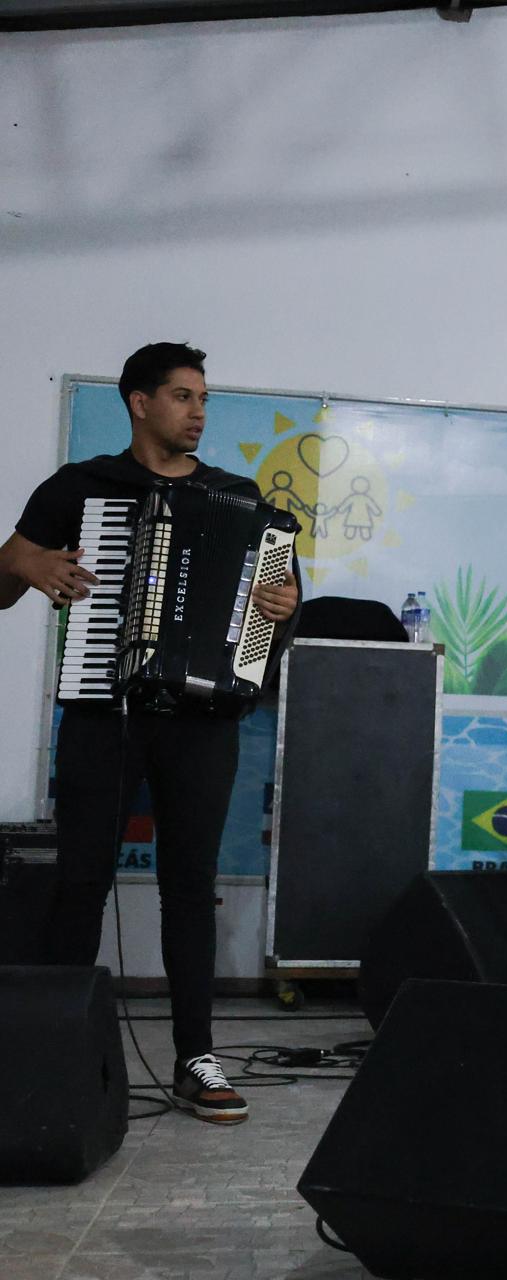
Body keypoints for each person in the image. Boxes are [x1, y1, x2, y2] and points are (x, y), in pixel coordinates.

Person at [0, 343, 300, 1124]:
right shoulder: (82, 487)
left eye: (203, 398)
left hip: (204, 722)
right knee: (80, 882)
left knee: (190, 890)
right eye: (182, 396)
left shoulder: (240, 499)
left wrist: (281, 612)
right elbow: (5, 576)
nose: (198, 412)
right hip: (104, 714)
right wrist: (28, 568)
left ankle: (196, 1058)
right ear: (139, 403)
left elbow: (274, 616)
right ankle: (53, 1055)